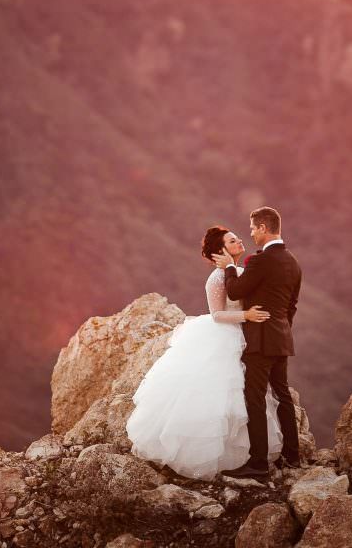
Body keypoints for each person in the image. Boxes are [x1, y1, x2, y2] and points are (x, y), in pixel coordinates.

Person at [125, 226, 283, 480]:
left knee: (247, 395)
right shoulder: (216, 278)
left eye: (237, 237)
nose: (239, 240)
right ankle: (210, 455)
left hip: (246, 338)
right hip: (223, 338)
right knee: (218, 394)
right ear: (220, 251)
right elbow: (217, 314)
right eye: (232, 240)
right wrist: (246, 315)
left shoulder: (240, 272)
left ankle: (246, 454)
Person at [212, 206, 302, 479]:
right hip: (281, 338)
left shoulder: (261, 261)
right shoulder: (293, 262)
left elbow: (236, 291)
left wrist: (229, 267)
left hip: (260, 340)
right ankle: (293, 457)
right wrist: (280, 328)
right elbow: (292, 306)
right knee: (283, 396)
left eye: (252, 228)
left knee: (255, 398)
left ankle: (259, 463)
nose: (250, 233)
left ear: (263, 228)